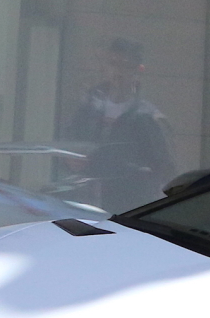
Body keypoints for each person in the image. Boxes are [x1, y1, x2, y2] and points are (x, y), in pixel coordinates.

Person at [66, 36, 171, 207]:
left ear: (138, 70)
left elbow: (161, 170)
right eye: (113, 64)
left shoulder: (146, 117)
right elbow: (67, 145)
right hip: (84, 204)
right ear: (105, 66)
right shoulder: (88, 106)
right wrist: (69, 161)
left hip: (125, 207)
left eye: (125, 66)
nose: (118, 72)